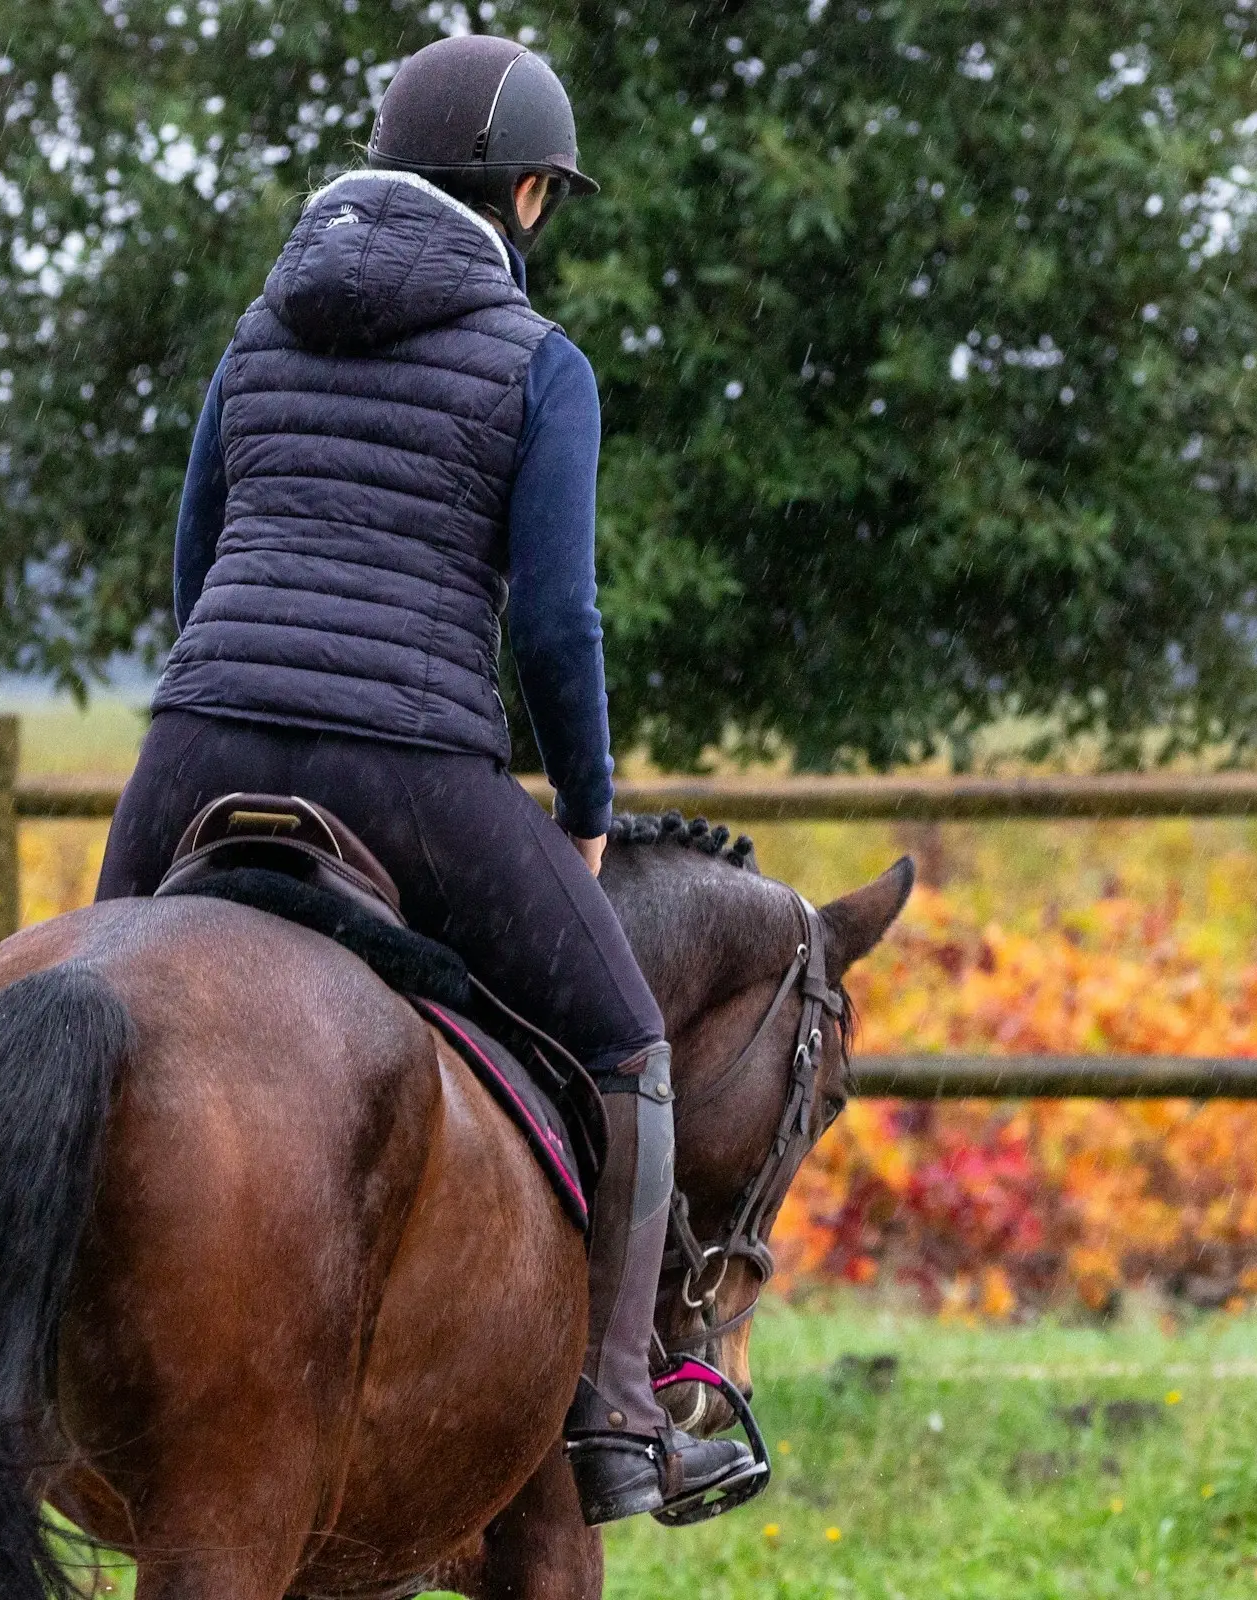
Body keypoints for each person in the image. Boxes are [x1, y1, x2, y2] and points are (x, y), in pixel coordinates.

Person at [94, 34, 761, 1526]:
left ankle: (30, 1357)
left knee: (82, 1007)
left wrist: (237, 691)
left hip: (197, 735)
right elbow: (553, 619)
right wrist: (585, 807)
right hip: (406, 763)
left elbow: (196, 558)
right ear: (525, 192)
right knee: (627, 1042)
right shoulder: (539, 362)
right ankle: (616, 1418)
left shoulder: (261, 330)